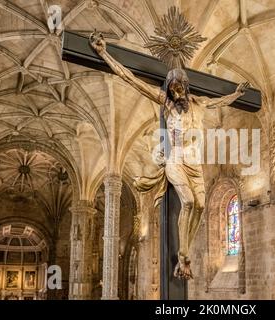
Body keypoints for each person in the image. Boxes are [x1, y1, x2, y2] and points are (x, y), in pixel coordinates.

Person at [89, 31, 249, 280]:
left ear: (185, 86)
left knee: (202, 204)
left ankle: (185, 256)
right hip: (176, 160)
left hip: (196, 164)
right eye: (172, 88)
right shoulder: (166, 102)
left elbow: (221, 101)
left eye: (178, 87)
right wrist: (104, 53)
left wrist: (238, 94)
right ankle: (183, 254)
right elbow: (130, 78)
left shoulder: (201, 103)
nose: (175, 92)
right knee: (187, 202)